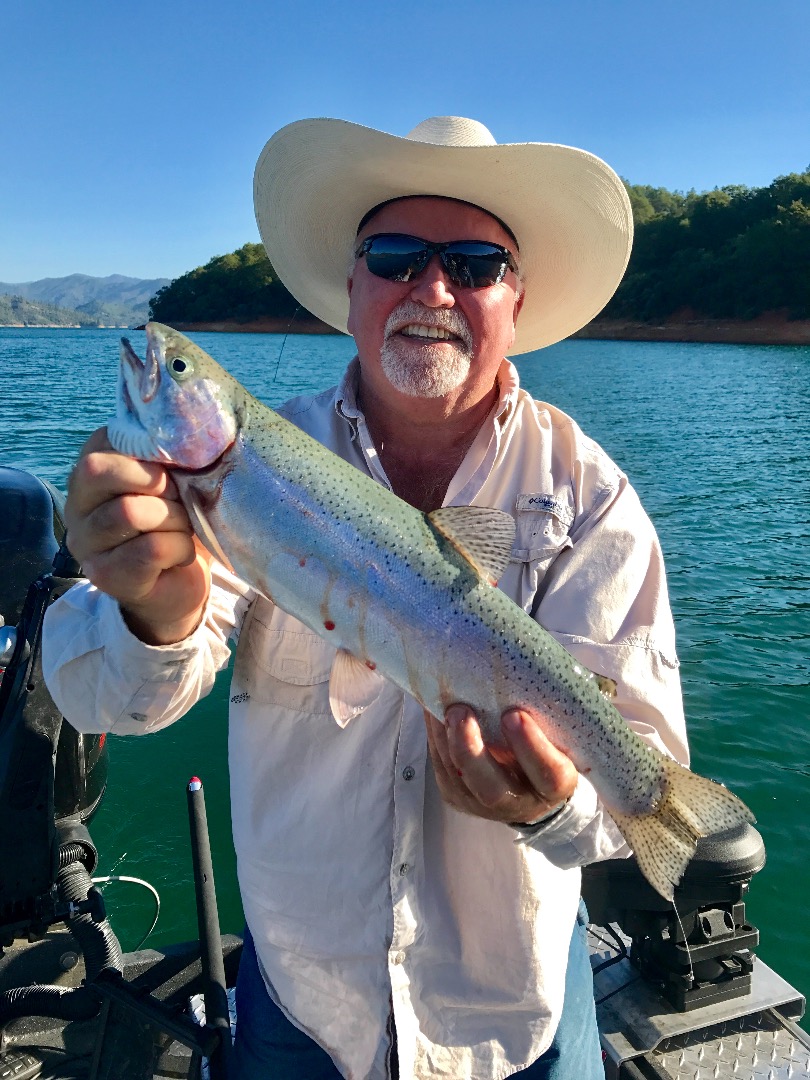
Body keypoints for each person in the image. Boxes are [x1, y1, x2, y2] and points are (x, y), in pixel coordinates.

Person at [43, 116, 689, 1079]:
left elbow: (639, 765)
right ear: (352, 286)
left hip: (517, 1017)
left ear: (516, 297)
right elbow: (101, 699)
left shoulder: (592, 500)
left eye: (474, 263)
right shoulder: (239, 473)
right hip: (302, 998)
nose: (432, 287)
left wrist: (552, 809)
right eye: (395, 256)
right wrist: (153, 609)